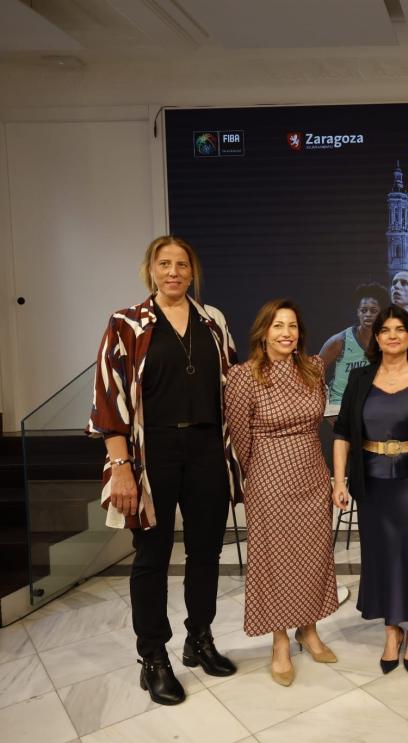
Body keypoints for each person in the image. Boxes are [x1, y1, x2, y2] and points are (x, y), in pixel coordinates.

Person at [86, 236, 239, 706]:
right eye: (164, 263)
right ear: (150, 270)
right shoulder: (127, 323)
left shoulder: (213, 321)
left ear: (193, 271)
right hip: (152, 452)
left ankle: (199, 637)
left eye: (182, 264)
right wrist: (121, 466)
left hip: (207, 448)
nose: (174, 272)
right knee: (151, 556)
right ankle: (153, 656)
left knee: (206, 551)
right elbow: (109, 399)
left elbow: (234, 386)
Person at [331, 306, 408, 674]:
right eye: (385, 330)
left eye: (400, 329)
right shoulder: (359, 379)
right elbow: (342, 433)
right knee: (380, 556)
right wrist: (339, 481)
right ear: (377, 337)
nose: (392, 336)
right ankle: (391, 629)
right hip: (372, 483)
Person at [224, 299, 340, 686]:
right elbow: (240, 436)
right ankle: (279, 642)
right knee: (275, 561)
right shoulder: (243, 375)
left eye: (292, 326)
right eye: (278, 326)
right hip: (268, 477)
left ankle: (309, 630)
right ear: (263, 332)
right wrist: (260, 474)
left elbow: (319, 420)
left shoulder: (314, 368)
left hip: (312, 473)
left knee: (313, 554)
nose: (286, 333)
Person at [319, 282, 388, 416]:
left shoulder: (388, 343)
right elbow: (313, 373)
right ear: (358, 312)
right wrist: (323, 403)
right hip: (339, 408)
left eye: (373, 311)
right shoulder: (339, 341)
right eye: (363, 310)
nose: (368, 314)